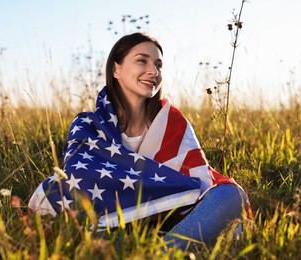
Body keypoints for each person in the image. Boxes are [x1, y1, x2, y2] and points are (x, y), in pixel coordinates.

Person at [28, 32, 251, 250]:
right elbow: (79, 179)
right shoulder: (89, 125)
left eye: (159, 65)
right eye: (141, 61)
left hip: (175, 224)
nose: (153, 71)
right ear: (116, 68)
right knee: (63, 205)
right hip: (117, 223)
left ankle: (157, 254)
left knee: (229, 195)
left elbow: (198, 183)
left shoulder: (172, 122)